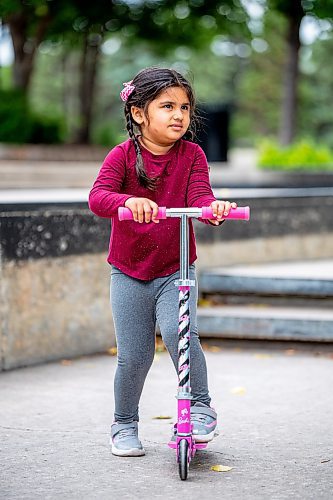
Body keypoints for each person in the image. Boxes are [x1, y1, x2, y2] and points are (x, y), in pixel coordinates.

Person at [89, 67, 237, 457]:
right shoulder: (123, 155)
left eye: (185, 108)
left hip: (177, 269)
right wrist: (127, 201)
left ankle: (201, 407)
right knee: (134, 356)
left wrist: (212, 208)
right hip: (129, 271)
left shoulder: (192, 155)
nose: (178, 116)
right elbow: (98, 196)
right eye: (167, 106)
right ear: (139, 113)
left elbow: (201, 195)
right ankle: (123, 424)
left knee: (179, 334)